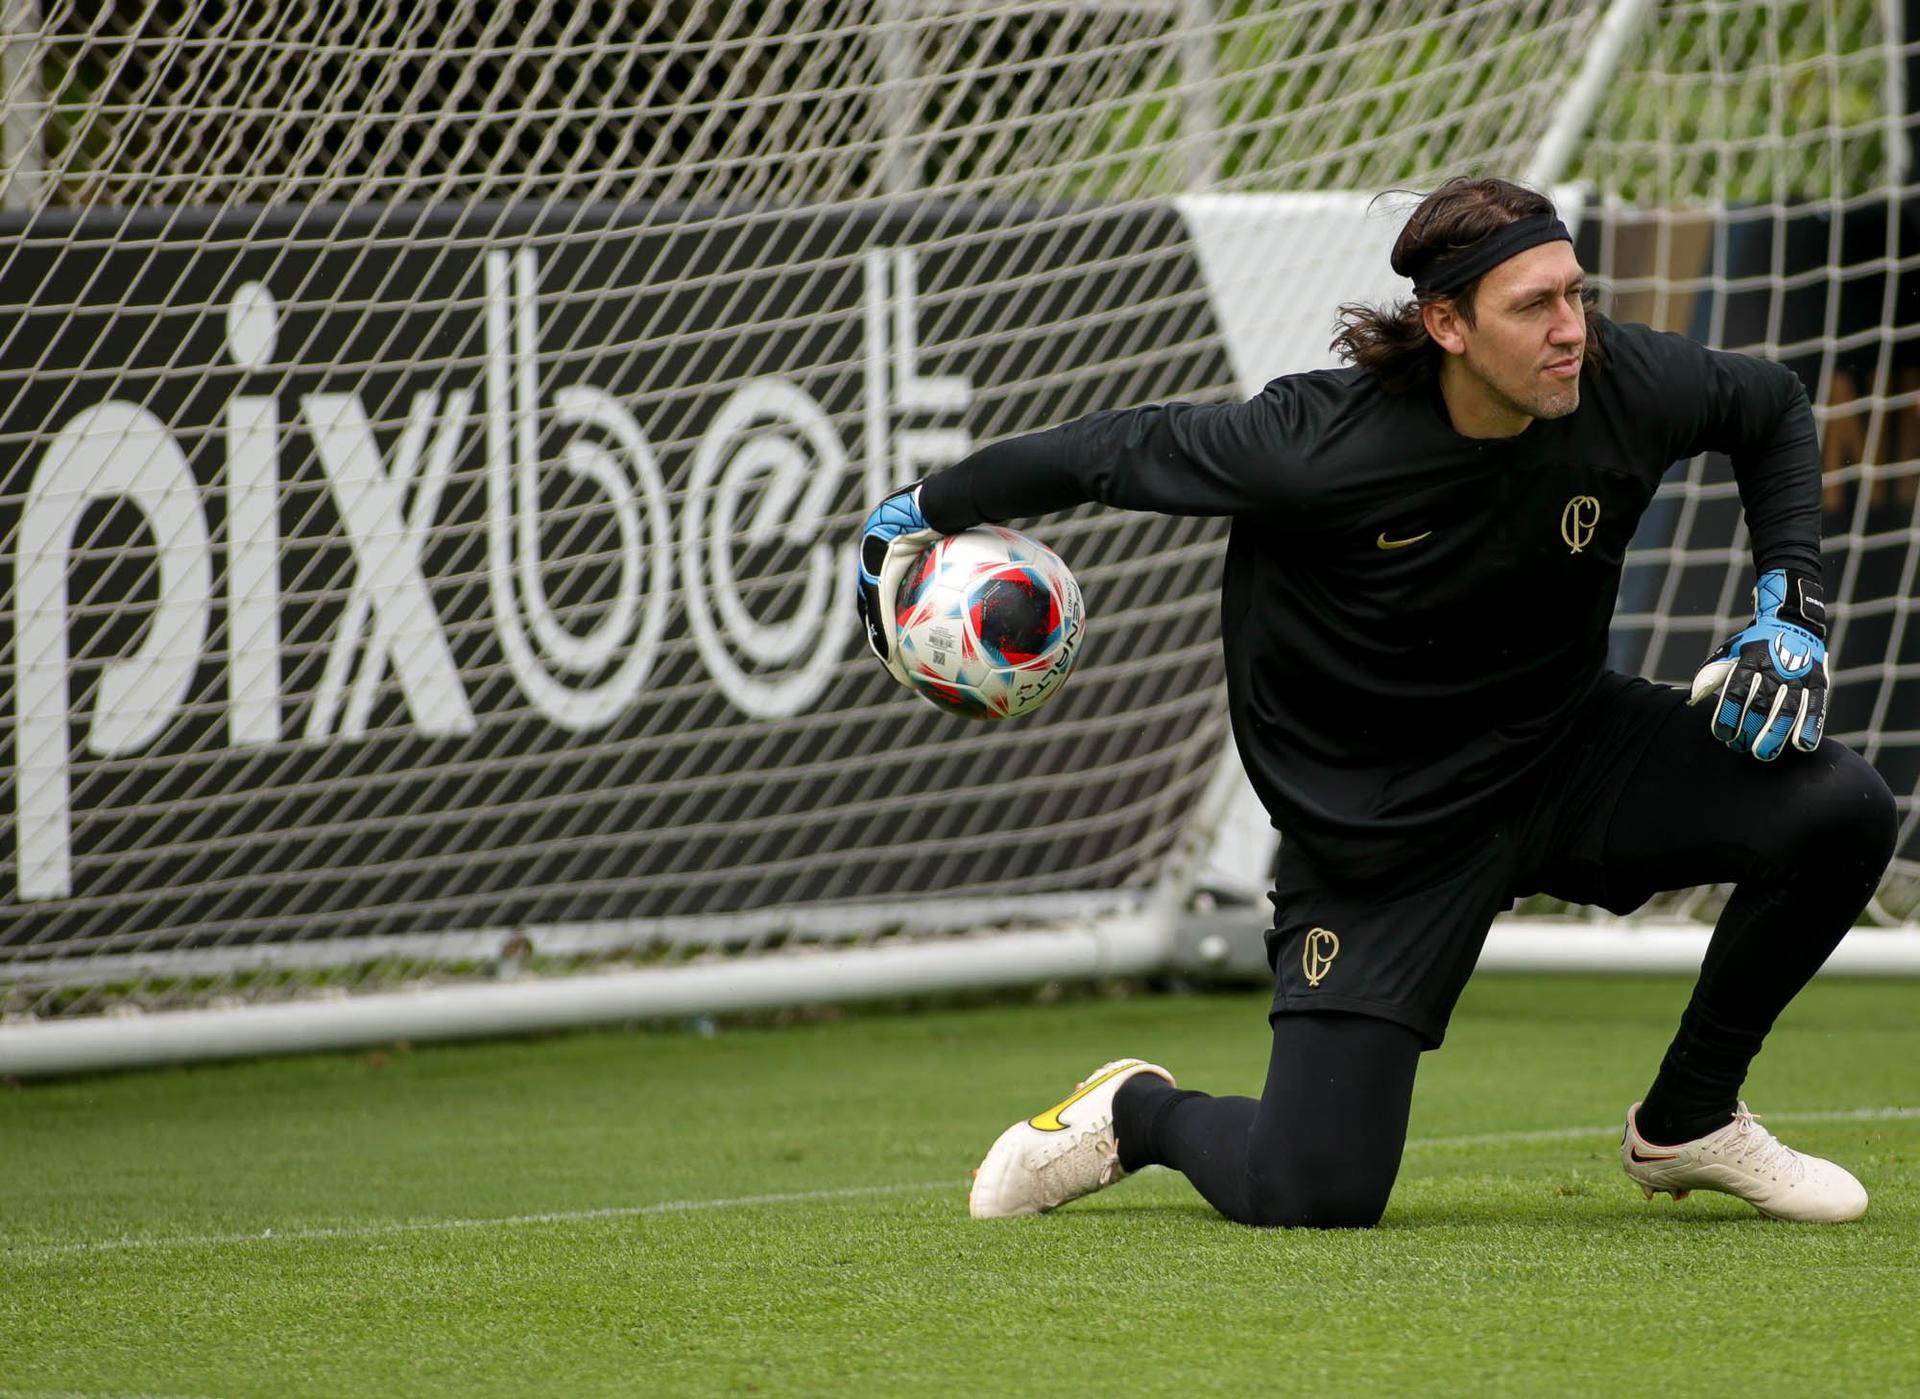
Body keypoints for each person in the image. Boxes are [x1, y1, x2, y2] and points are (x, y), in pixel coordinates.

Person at [854, 177, 1897, 1227]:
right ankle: (1138, 1113)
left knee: (1841, 807)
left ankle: (1689, 1119)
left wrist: (1791, 607)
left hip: (1565, 752)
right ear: (1447, 323)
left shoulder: (1620, 382)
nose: (1571, 329)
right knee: (1312, 1191)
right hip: (1381, 834)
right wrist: (919, 511)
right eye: (1533, 306)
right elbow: (1107, 454)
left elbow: (1769, 406)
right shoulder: (1313, 443)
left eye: (1576, 294)